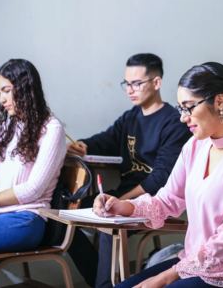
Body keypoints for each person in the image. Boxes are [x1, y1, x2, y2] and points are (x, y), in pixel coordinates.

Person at [94, 62, 223, 288]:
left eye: (189, 107)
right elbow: (168, 200)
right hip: (197, 263)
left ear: (220, 101)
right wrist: (122, 206)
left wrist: (163, 278)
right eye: (181, 108)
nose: (183, 118)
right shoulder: (195, 146)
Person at [66, 53, 192, 288]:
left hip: (155, 200)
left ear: (156, 82)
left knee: (107, 225)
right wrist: (83, 145)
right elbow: (107, 139)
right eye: (127, 84)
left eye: (137, 83)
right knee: (66, 220)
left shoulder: (174, 122)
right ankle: (99, 282)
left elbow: (160, 179)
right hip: (122, 194)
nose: (130, 90)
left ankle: (104, 285)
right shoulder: (130, 117)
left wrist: (121, 202)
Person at [0, 59, 66, 254]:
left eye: (6, 90)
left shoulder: (51, 129)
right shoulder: (7, 127)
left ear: (25, 88)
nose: (2, 99)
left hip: (26, 218)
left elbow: (32, 190)